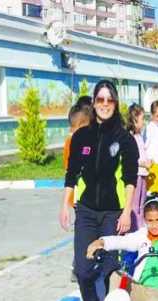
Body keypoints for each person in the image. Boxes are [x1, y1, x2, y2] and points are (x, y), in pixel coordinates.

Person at [60, 79, 138, 301]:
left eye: (110, 100)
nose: (105, 104)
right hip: (86, 213)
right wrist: (64, 205)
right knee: (82, 269)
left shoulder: (125, 139)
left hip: (112, 213)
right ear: (94, 103)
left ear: (115, 104)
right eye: (100, 99)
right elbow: (71, 174)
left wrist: (127, 212)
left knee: (109, 267)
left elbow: (130, 179)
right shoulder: (82, 136)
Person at [63, 101, 92, 282]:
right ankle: (78, 265)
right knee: (83, 231)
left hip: (85, 195)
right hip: (79, 196)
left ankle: (85, 262)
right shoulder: (72, 142)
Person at [127, 103, 150, 229]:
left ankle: (141, 226)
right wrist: (143, 163)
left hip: (143, 173)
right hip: (135, 174)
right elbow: (131, 159)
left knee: (142, 202)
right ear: (134, 119)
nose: (144, 122)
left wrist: (147, 161)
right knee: (135, 204)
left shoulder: (139, 136)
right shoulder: (130, 137)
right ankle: (134, 227)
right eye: (142, 119)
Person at [144, 100, 158, 196]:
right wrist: (146, 160)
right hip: (153, 166)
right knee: (153, 193)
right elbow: (145, 145)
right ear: (152, 115)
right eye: (157, 116)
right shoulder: (150, 128)